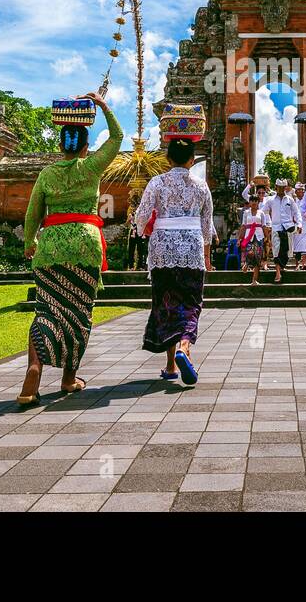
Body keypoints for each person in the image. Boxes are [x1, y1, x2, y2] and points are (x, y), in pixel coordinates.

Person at [16, 91, 121, 404]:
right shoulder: (91, 168)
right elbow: (117, 137)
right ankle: (68, 378)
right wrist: (102, 105)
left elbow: (33, 213)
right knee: (78, 314)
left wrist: (29, 241)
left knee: (46, 310)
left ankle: (34, 369)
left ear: (61, 146)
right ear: (86, 147)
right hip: (85, 248)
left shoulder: (47, 174)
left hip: (50, 248)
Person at [135, 104, 212, 386]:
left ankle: (170, 365)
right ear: (192, 159)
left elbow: (141, 215)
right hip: (191, 249)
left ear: (168, 158)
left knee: (167, 303)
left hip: (162, 250)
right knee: (190, 303)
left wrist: (144, 231)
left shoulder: (156, 183)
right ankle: (183, 349)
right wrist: (207, 256)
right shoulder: (201, 185)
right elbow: (206, 224)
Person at [262, 178, 301, 283]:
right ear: (276, 187)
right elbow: (263, 212)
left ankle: (281, 267)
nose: (281, 189)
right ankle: (278, 272)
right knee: (276, 250)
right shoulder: (270, 200)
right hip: (276, 228)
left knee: (286, 250)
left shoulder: (290, 199)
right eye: (279, 187)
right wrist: (267, 224)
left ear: (285, 188)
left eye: (283, 187)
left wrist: (299, 224)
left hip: (288, 228)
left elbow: (296, 212)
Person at [239, 193, 270, 284]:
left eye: (256, 200)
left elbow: (264, 226)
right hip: (249, 235)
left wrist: (268, 238)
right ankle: (247, 263)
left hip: (259, 235)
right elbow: (243, 226)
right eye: (252, 200)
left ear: (258, 202)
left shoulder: (261, 213)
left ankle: (254, 280)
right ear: (249, 202)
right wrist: (239, 238)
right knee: (250, 251)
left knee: (258, 257)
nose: (254, 202)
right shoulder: (246, 213)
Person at [289, 182, 306, 269]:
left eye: (302, 190)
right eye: (299, 190)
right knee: (297, 247)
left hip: (305, 226)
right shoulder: (293, 202)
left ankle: (303, 264)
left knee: (304, 246)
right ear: (296, 191)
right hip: (296, 226)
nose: (301, 192)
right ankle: (297, 264)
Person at [125, 189, 147, 271]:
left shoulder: (143, 210)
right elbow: (126, 223)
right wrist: (129, 219)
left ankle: (141, 266)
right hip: (133, 231)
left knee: (141, 249)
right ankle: (131, 266)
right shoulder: (130, 210)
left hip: (141, 230)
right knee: (131, 249)